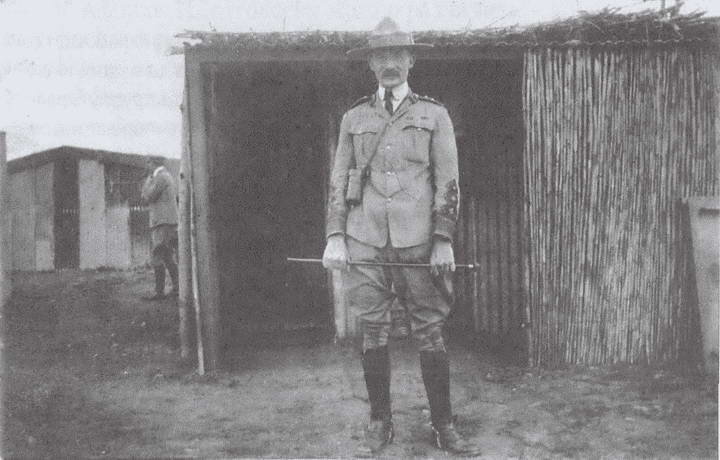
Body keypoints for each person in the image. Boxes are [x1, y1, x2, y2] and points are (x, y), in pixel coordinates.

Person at [322, 17, 481, 457]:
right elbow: (338, 180)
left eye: (397, 55)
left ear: (411, 60)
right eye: (381, 56)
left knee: (430, 332)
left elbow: (448, 182)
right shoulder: (353, 118)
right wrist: (335, 235)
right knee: (373, 331)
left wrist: (443, 239)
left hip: (419, 242)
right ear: (370, 64)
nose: (389, 64)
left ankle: (443, 425)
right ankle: (380, 423)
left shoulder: (434, 115)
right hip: (365, 239)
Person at [141, 156, 179, 300]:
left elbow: (148, 197)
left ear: (153, 163)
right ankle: (177, 289)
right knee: (168, 257)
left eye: (148, 162)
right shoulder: (165, 176)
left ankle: (159, 292)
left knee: (157, 255)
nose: (147, 165)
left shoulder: (160, 177)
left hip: (162, 223)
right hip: (167, 222)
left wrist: (147, 181)